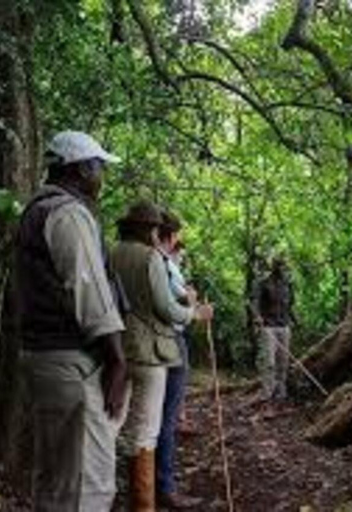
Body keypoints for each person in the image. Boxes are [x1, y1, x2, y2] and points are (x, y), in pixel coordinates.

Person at [16, 131, 128, 512]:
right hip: (71, 361)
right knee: (87, 486)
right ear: (82, 169)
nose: (102, 178)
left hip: (44, 356)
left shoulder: (36, 209)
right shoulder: (67, 212)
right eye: (99, 168)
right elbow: (90, 292)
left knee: (57, 478)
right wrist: (117, 359)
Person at [110, 202, 213, 511]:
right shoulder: (150, 257)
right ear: (150, 230)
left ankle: (113, 492)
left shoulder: (112, 252)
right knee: (146, 431)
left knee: (116, 422)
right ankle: (143, 503)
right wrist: (193, 313)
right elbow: (164, 308)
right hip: (149, 351)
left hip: (116, 347)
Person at [154, 211, 205, 508]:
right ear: (170, 236)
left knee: (159, 415)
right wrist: (196, 309)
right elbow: (177, 304)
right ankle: (164, 485)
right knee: (166, 416)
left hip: (162, 341)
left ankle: (157, 483)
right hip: (168, 339)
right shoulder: (158, 262)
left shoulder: (155, 260)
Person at [251, 255, 295, 401]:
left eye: (284, 266)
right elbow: (255, 302)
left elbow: (290, 304)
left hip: (284, 325)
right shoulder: (264, 283)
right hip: (269, 326)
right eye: (280, 266)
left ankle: (281, 391)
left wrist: (294, 319)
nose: (283, 269)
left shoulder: (288, 283)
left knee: (283, 361)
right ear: (274, 267)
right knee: (269, 361)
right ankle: (267, 392)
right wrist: (257, 317)